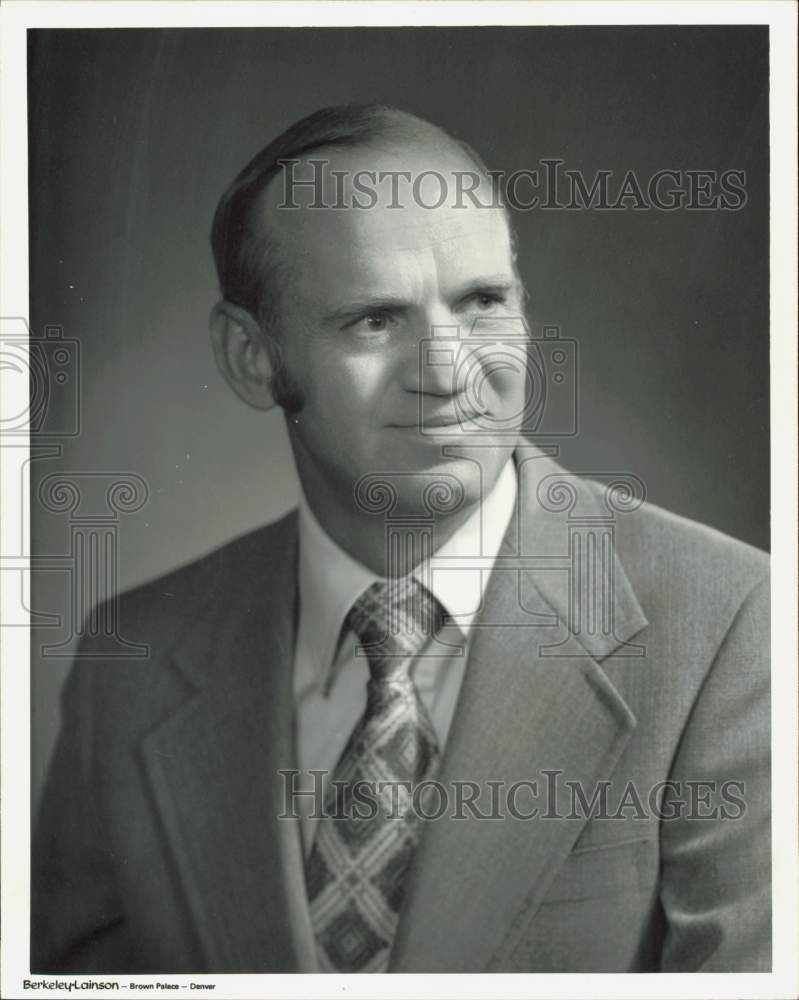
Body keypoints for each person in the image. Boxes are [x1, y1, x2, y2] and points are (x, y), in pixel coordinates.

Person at [32, 105, 770, 974]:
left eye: (483, 303)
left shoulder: (726, 624)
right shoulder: (135, 657)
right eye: (374, 320)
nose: (449, 371)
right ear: (250, 357)